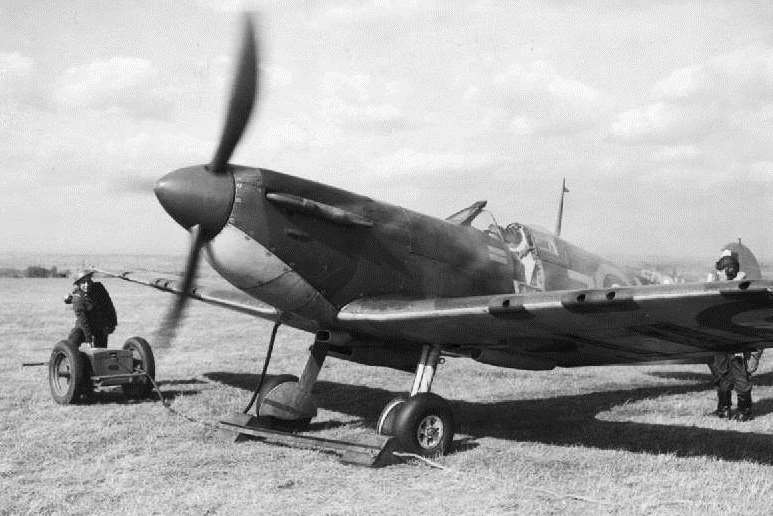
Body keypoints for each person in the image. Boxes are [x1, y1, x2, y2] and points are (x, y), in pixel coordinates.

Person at [708, 251, 762, 421]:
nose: (720, 273)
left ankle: (744, 412)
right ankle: (724, 409)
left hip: (736, 341)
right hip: (721, 340)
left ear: (727, 271)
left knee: (739, 377)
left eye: (722, 270)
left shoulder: (741, 289)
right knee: (722, 374)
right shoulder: (721, 287)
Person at [64, 270, 117, 348]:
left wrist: (112, 324)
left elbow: (109, 307)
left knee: (100, 352)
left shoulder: (99, 288)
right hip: (83, 327)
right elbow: (83, 320)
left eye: (88, 281)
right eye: (83, 282)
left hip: (99, 326)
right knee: (73, 341)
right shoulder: (77, 299)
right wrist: (89, 340)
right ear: (78, 284)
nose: (87, 285)